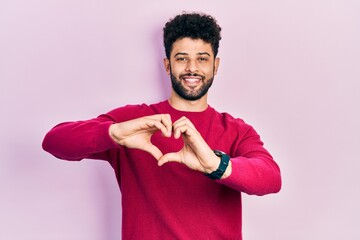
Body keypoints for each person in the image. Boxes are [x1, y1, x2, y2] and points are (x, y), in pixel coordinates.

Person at [42, 12, 281, 240]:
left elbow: (270, 179)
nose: (192, 68)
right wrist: (115, 132)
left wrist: (214, 164)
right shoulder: (135, 122)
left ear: (215, 66)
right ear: (167, 65)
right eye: (182, 58)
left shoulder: (236, 130)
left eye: (202, 59)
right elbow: (54, 141)